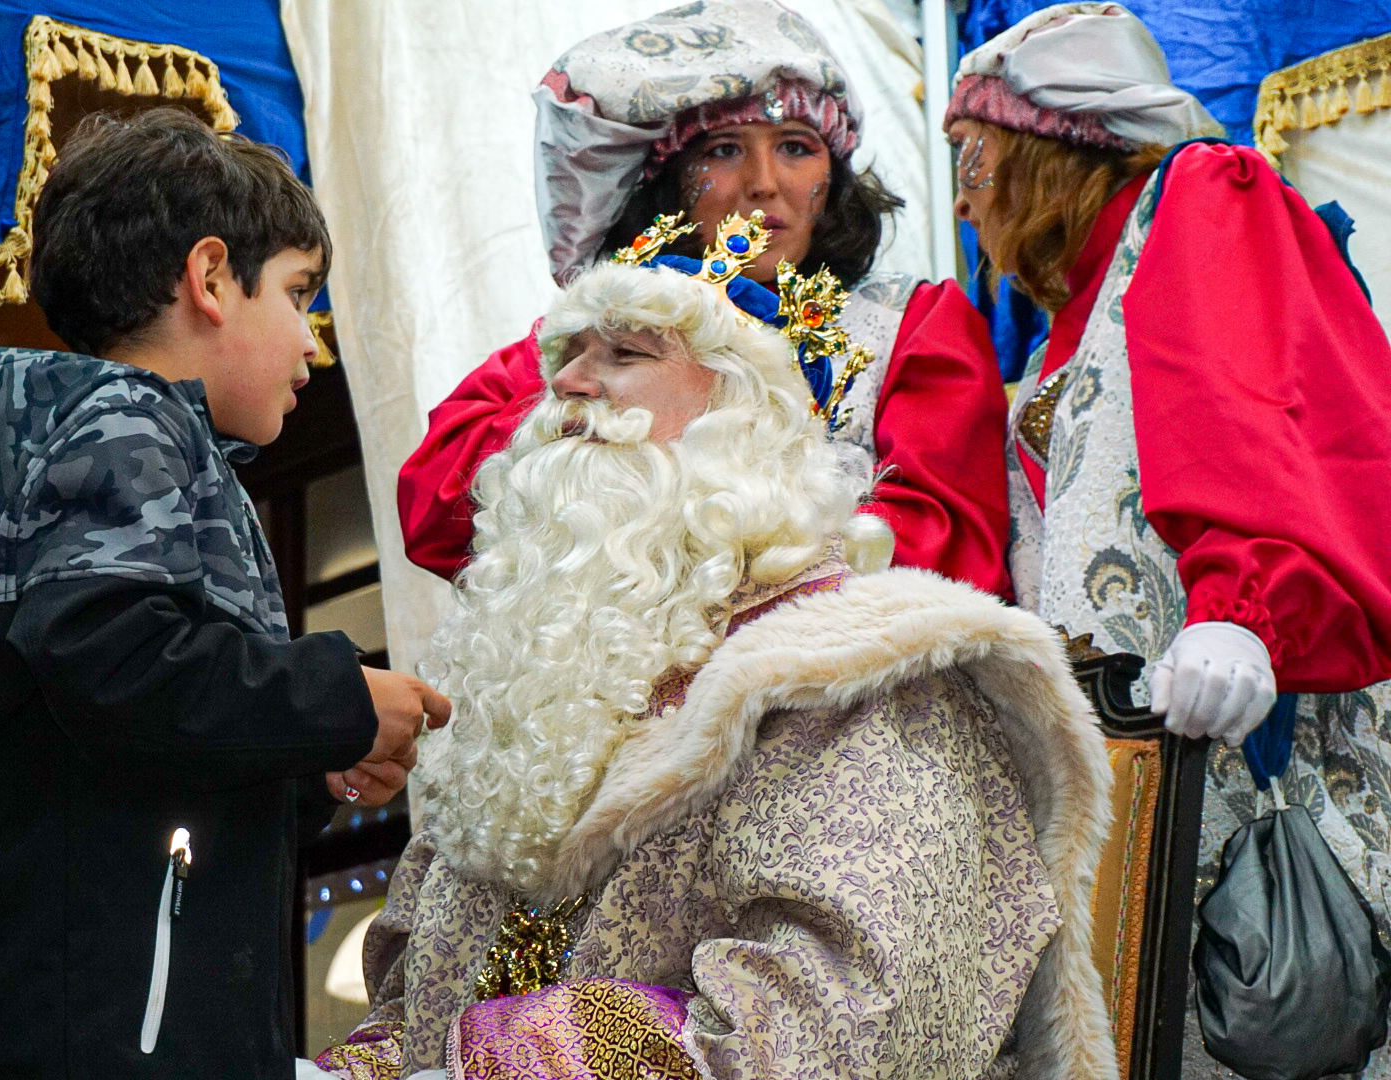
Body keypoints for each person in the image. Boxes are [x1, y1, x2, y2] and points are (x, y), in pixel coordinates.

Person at [312, 252, 1116, 1080]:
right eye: (569, 356)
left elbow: (831, 1022)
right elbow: (413, 1007)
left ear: (742, 414)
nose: (573, 383)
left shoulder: (854, 671)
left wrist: (500, 1063)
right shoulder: (532, 682)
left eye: (627, 354)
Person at [0, 108, 450, 1080]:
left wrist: (310, 758)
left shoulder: (136, 447)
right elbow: (117, 663)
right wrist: (335, 696)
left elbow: (150, 742)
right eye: (301, 294)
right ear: (211, 278)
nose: (313, 345)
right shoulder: (121, 432)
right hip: (103, 1036)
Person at [945, 4, 1391, 1068]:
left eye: (973, 156)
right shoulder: (1070, 312)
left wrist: (1246, 608)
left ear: (1049, 144)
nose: (963, 196)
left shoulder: (1204, 194)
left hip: (1244, 723)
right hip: (1143, 776)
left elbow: (1256, 401)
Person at [397, 0, 1013, 597]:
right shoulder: (585, 338)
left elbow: (946, 542)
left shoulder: (910, 322)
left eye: (797, 147)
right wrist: (618, 384)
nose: (764, 184)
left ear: (835, 177)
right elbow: (437, 505)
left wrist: (712, 568)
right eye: (723, 151)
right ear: (666, 181)